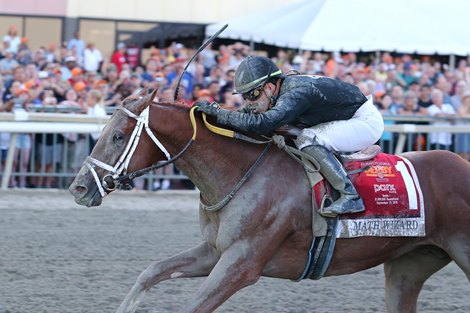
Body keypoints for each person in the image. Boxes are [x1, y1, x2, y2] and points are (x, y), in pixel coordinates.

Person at [195, 56, 384, 217]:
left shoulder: (296, 93)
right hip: (345, 117)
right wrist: (217, 114)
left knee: (307, 138)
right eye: (245, 96)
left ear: (269, 87)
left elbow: (261, 124)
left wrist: (221, 114)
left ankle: (350, 196)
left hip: (365, 121)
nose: (249, 101)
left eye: (252, 94)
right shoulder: (280, 89)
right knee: (296, 133)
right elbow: (247, 113)